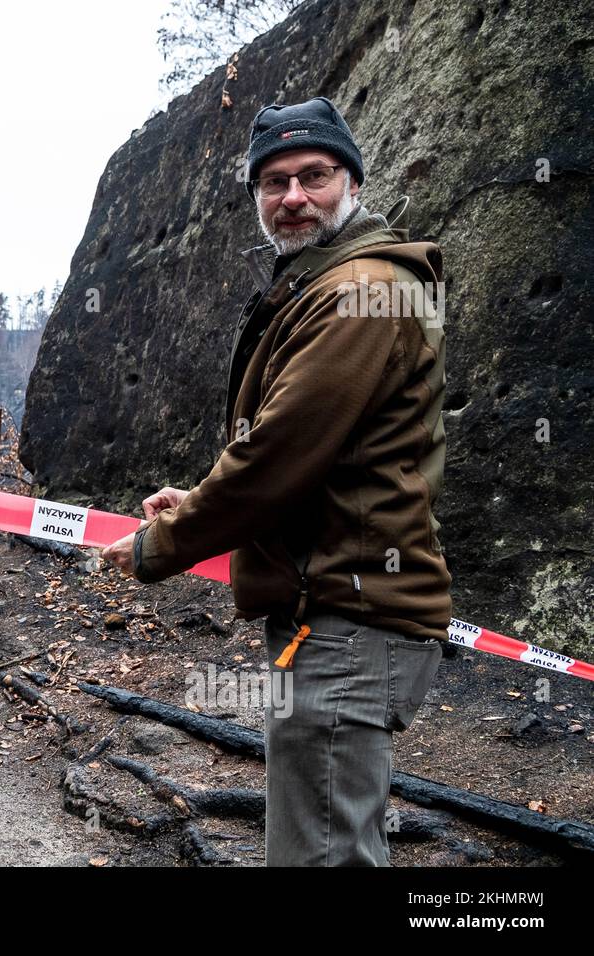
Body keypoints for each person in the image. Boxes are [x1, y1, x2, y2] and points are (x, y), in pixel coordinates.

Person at [100, 96, 450, 866]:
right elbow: (308, 451)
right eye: (274, 182)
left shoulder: (360, 291)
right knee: (325, 843)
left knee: (321, 856)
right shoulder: (322, 283)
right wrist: (198, 501)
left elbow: (278, 457)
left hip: (345, 624)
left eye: (314, 176)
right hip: (328, 617)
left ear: (352, 182)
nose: (294, 197)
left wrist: (161, 544)